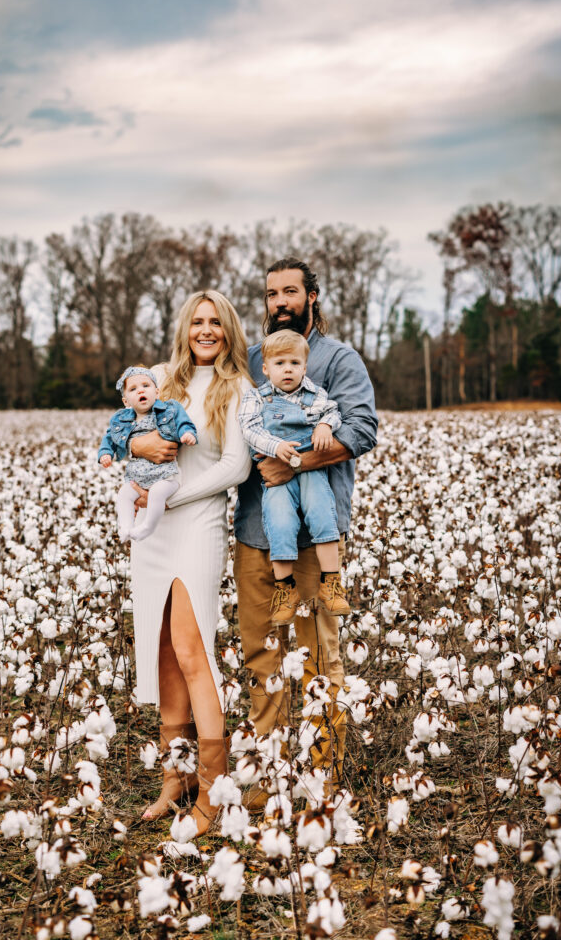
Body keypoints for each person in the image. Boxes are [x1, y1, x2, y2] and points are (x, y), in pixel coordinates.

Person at [233, 259, 378, 809]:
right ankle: (266, 775)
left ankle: (324, 775)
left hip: (318, 534)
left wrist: (294, 466)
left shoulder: (339, 360)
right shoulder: (249, 362)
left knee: (319, 654)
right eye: (272, 294)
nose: (280, 302)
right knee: (261, 652)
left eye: (290, 291)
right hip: (255, 528)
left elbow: (361, 429)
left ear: (313, 296)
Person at [127, 291, 253, 835]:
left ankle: (214, 789)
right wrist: (136, 447)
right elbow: (123, 429)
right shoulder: (160, 376)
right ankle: (174, 779)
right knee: (161, 650)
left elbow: (236, 467)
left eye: (216, 323)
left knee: (191, 647)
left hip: (197, 522)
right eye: (197, 322)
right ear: (186, 328)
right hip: (152, 531)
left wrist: (170, 498)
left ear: (228, 331)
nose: (206, 331)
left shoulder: (239, 387)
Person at [238, 329, 350, 625]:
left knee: (324, 515)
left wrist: (325, 426)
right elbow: (248, 429)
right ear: (265, 369)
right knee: (279, 521)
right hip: (276, 473)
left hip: (311, 468)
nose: (287, 369)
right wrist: (275, 446)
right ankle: (285, 589)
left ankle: (331, 583)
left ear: (304, 366)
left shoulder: (316, 395)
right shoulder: (255, 397)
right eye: (279, 363)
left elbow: (334, 412)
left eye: (294, 363)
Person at [98, 366, 197, 543]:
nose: (141, 390)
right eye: (133, 389)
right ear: (126, 401)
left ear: (157, 392)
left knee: (157, 493)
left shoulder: (169, 410)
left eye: (146, 385)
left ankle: (148, 527)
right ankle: (126, 527)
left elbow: (183, 422)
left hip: (166, 476)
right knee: (124, 494)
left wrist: (187, 433)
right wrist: (106, 453)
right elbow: (109, 438)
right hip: (137, 477)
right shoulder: (121, 420)